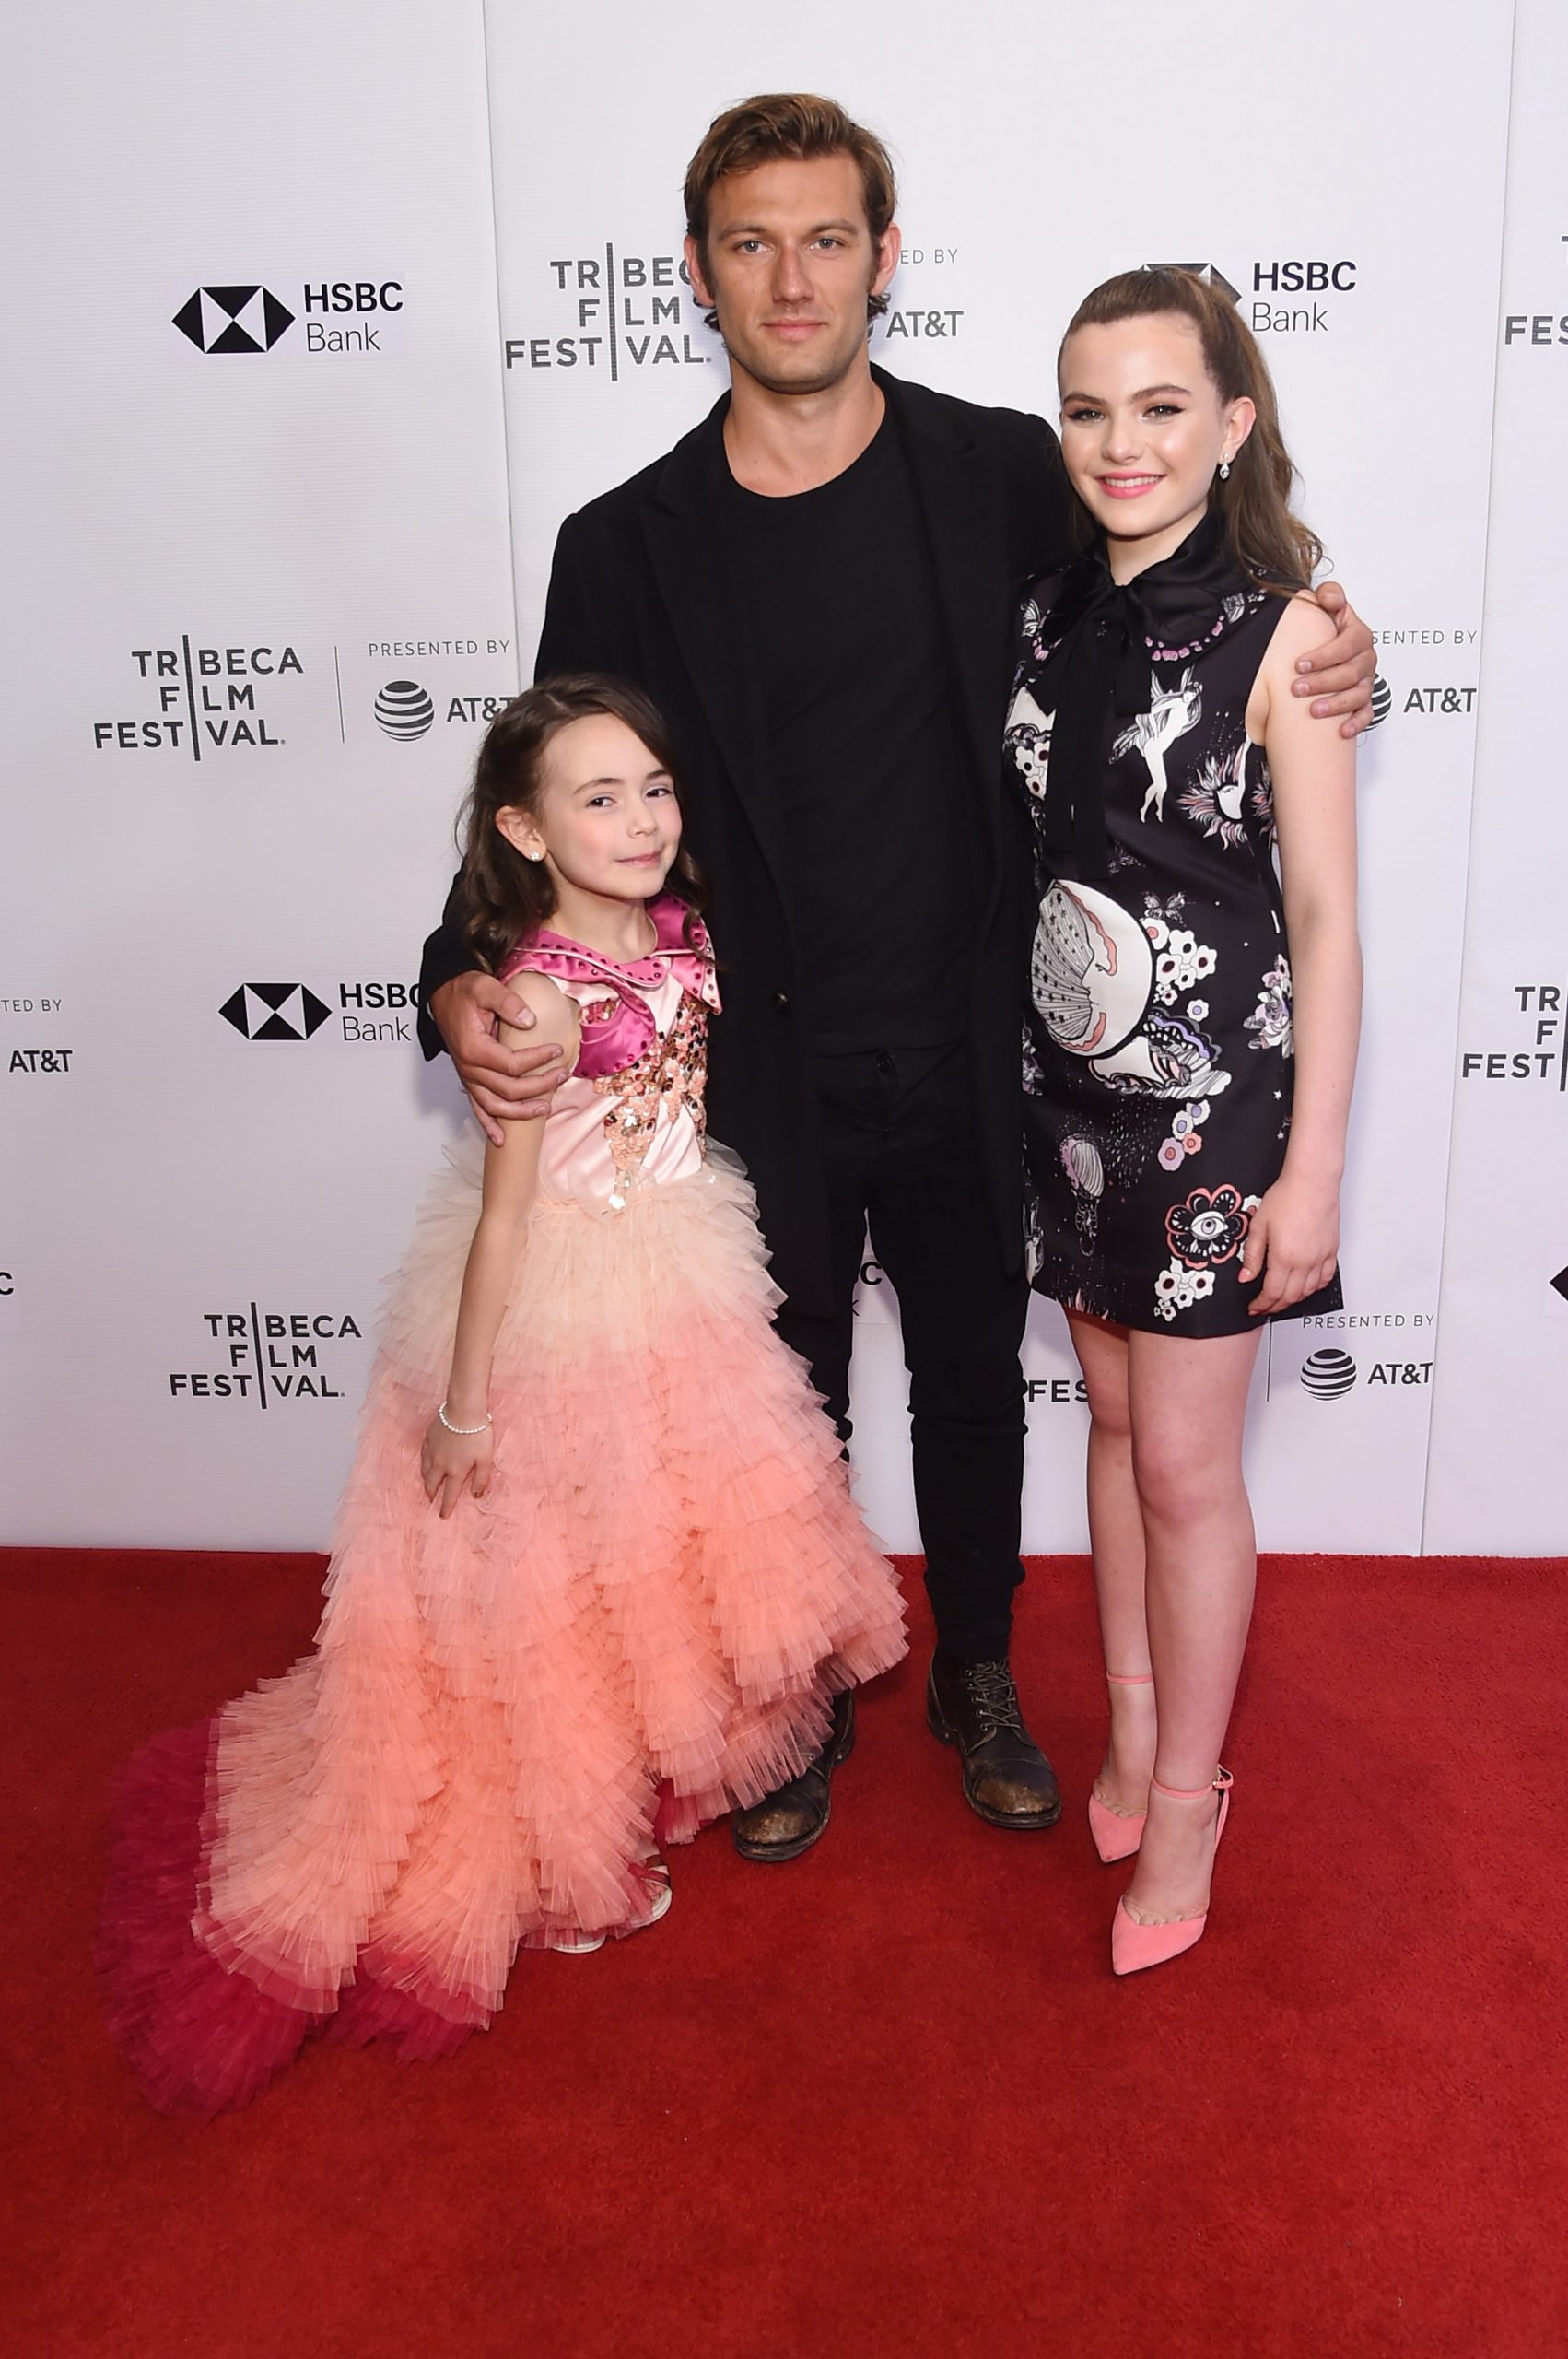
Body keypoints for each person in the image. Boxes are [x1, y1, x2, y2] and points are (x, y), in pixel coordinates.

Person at [417, 95, 1377, 1863]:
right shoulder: (621, 542)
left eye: (827, 238)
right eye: (752, 242)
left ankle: (978, 1673)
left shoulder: (1003, 470)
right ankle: (792, 1693)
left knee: (972, 1381)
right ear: (695, 271)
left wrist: (1322, 629)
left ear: (883, 259)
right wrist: (456, 980)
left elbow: (1181, 585)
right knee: (778, 1400)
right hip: (751, 1058)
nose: (793, 278)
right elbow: (545, 791)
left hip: (985, 1043)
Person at [96, 677, 906, 2116]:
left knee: (646, 1559)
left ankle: (644, 1780)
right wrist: (462, 1405)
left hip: (681, 1272)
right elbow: (506, 1218)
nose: (642, 820)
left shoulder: (682, 930)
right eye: (599, 799)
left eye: (655, 788)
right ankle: (561, 1849)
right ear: (525, 831)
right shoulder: (534, 994)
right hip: (552, 1308)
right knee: (542, 1584)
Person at [1006, 269, 1361, 1974]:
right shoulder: (1041, 615)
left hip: (1221, 1115)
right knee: (1105, 1427)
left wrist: (1314, 1172)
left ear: (1230, 424)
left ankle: (1190, 1800)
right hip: (1063, 1097)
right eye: (1087, 409)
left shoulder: (1288, 636)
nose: (1118, 442)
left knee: (1181, 1466)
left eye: (1158, 407)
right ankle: (1135, 1728)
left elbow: (1327, 921)